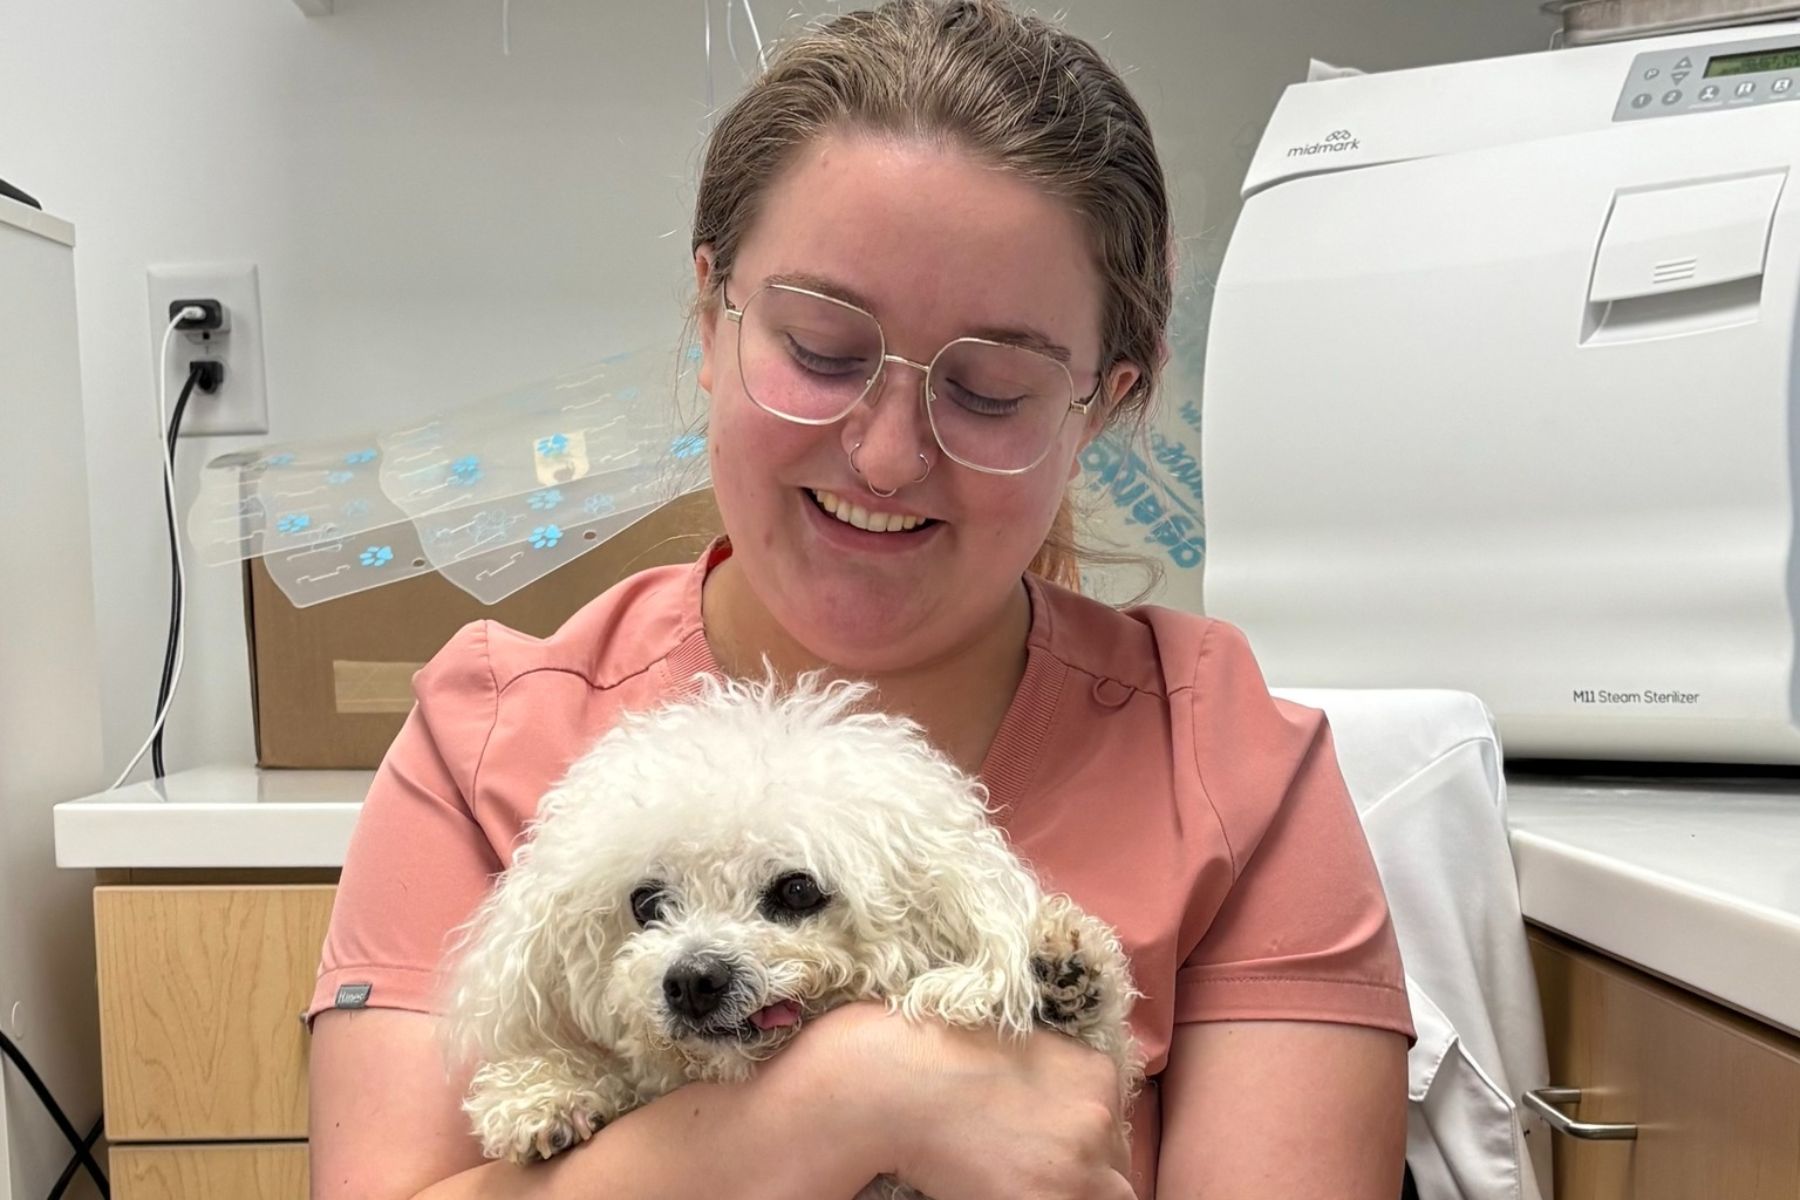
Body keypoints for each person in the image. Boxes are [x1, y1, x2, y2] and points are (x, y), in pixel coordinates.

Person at [307, 2, 1414, 1197]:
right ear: (710, 314)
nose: (888, 456)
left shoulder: (1232, 764)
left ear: (1101, 403)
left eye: (991, 388)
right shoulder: (487, 740)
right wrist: (854, 1105)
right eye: (824, 348)